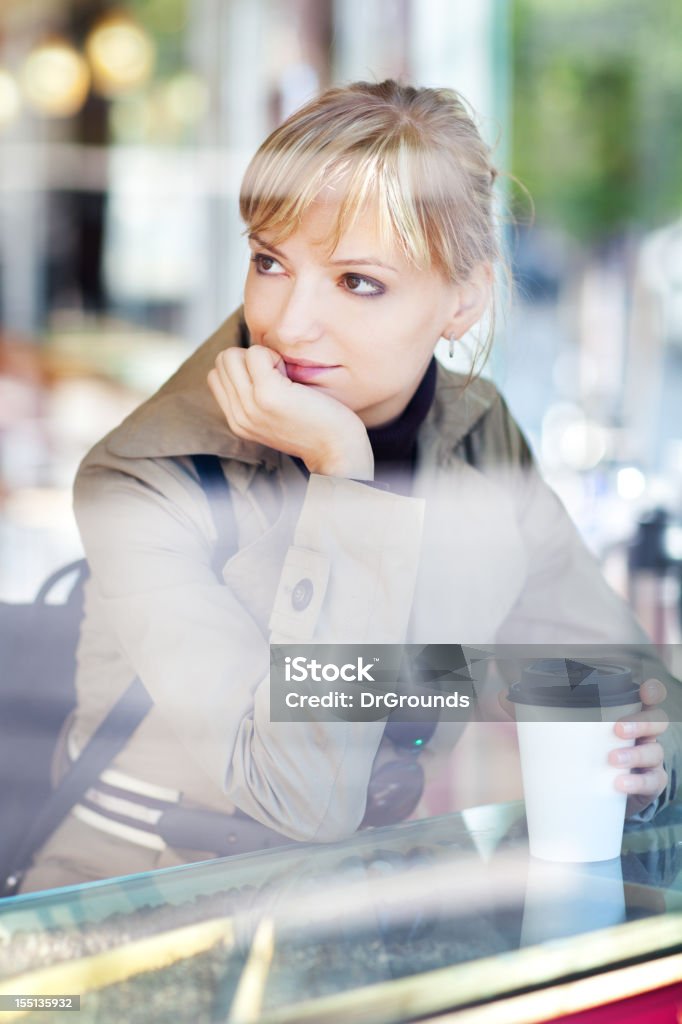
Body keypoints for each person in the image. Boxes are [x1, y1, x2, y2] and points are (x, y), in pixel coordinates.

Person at [20, 80, 677, 893]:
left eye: (357, 281)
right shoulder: (144, 477)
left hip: (364, 916)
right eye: (269, 261)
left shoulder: (476, 434)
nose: (289, 325)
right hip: (140, 927)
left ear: (464, 299)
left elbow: (625, 680)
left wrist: (648, 756)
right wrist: (344, 476)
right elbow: (299, 796)